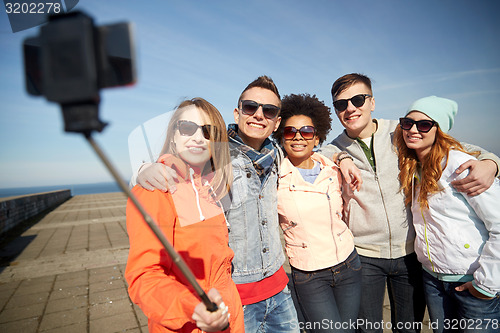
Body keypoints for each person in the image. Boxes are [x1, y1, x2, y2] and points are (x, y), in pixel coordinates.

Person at [319, 73, 500, 333]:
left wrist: (492, 163)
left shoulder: (402, 130)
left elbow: (457, 146)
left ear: (372, 102)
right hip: (365, 254)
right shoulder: (336, 147)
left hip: (410, 253)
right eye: (341, 104)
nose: (350, 108)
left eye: (358, 100)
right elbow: (319, 153)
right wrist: (341, 156)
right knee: (367, 328)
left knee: (408, 328)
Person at [133, 76, 302, 332]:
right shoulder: (217, 158)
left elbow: (312, 153)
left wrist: (342, 156)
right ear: (237, 112)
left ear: (277, 121)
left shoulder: (277, 154)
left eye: (268, 110)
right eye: (250, 107)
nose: (258, 115)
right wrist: (145, 168)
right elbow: (180, 163)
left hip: (279, 288)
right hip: (236, 296)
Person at [125, 98, 245, 333]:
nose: (199, 138)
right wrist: (194, 306)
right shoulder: (156, 189)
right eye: (188, 128)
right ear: (173, 136)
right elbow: (144, 277)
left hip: (230, 319)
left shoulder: (211, 187)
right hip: (189, 324)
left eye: (208, 131)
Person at [394, 95, 500, 333]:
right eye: (407, 122)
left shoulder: (461, 166)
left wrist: (486, 284)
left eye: (424, 124)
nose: (413, 130)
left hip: (472, 280)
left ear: (438, 130)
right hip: (433, 280)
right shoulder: (413, 166)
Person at [273, 93, 362, 333]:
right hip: (310, 275)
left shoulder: (334, 169)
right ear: (281, 138)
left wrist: (341, 157)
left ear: (317, 138)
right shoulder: (273, 177)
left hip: (349, 264)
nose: (298, 137)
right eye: (290, 131)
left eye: (307, 132)